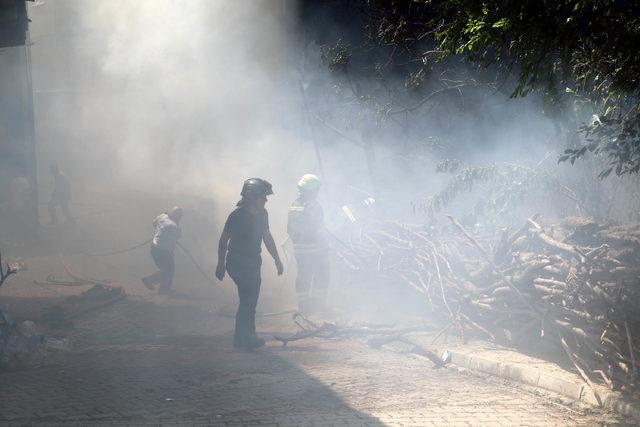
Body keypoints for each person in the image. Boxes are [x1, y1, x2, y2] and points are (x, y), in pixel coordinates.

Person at [216, 178, 284, 350]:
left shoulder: (263, 214)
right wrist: (220, 264)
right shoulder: (236, 216)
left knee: (249, 301)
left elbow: (267, 237)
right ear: (253, 197)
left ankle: (246, 337)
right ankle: (244, 338)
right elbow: (223, 241)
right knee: (248, 300)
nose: (266, 200)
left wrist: (277, 259)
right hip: (237, 262)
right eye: (264, 197)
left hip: (253, 262)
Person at [287, 174, 330, 313]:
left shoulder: (294, 204)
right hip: (315, 249)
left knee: (303, 276)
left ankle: (304, 306)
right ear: (311, 190)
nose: (317, 192)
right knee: (322, 274)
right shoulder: (313, 206)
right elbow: (316, 228)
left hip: (300, 250)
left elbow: (290, 228)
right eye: (316, 190)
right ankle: (317, 305)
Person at [142, 206, 183, 294]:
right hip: (164, 251)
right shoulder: (174, 226)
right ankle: (150, 280)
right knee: (168, 270)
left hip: (154, 247)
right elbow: (178, 236)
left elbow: (154, 224)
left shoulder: (162, 216)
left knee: (166, 269)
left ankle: (164, 288)